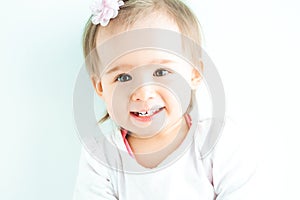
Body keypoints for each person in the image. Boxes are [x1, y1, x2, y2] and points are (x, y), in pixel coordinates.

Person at [73, 0, 259, 199]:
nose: (143, 93)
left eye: (161, 72)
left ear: (194, 74)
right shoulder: (101, 159)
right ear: (100, 87)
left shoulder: (217, 142)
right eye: (123, 77)